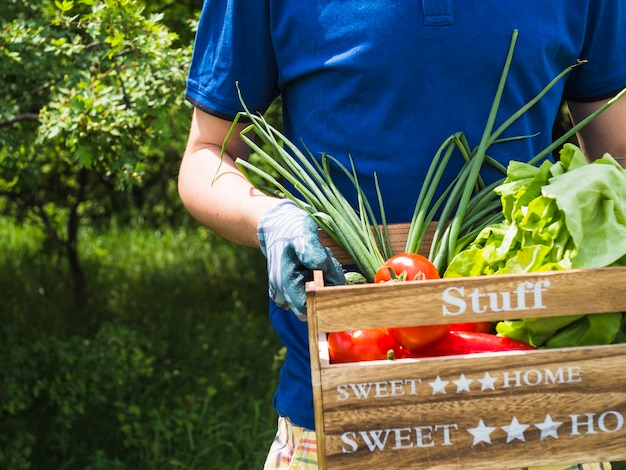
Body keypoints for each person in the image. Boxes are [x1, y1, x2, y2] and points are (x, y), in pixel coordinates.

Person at [178, 1, 626, 468]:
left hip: (539, 410)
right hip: (340, 419)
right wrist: (268, 218)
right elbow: (207, 153)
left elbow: (617, 160)